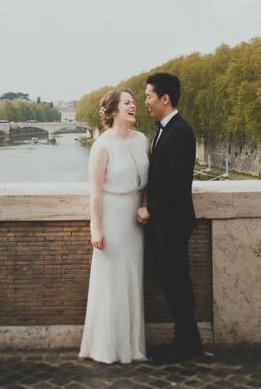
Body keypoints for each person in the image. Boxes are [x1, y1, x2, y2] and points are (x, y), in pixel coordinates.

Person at [79, 88, 149, 364]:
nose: (134, 106)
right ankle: (108, 347)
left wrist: (146, 206)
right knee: (111, 283)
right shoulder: (102, 145)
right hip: (112, 218)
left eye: (134, 102)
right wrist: (96, 229)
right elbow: (95, 192)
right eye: (128, 103)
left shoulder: (142, 140)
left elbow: (147, 182)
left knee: (132, 280)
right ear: (113, 110)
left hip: (136, 220)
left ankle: (132, 346)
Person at [137, 72, 202, 364]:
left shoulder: (181, 131)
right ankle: (187, 342)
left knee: (177, 284)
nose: (146, 101)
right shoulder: (165, 128)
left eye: (149, 95)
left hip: (172, 224)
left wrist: (151, 209)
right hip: (165, 224)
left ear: (165, 98)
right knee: (173, 283)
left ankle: (187, 346)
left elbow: (178, 184)